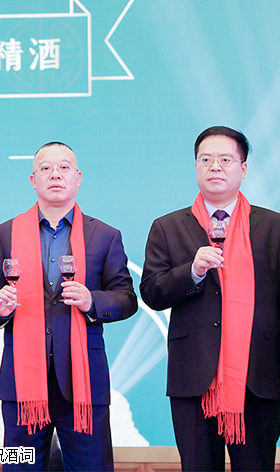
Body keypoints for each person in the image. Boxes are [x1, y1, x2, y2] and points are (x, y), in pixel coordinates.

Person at [0, 142, 137, 471]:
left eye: (64, 167)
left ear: (78, 178)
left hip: (83, 382)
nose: (55, 174)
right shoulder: (5, 233)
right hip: (22, 382)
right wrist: (0, 310)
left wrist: (92, 301)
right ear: (32, 180)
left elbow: (126, 298)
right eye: (45, 168)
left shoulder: (105, 235)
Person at [140, 126, 280, 471]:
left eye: (225, 160)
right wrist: (192, 272)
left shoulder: (273, 227)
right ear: (195, 167)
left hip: (258, 375)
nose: (215, 166)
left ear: (243, 168)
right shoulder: (168, 227)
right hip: (194, 377)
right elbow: (152, 292)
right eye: (206, 160)